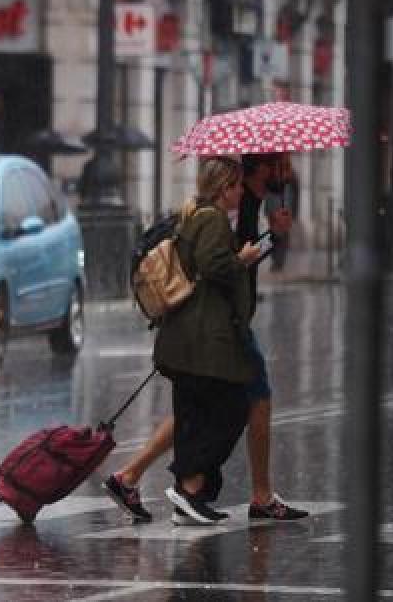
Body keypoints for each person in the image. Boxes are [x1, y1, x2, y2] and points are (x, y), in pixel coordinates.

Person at [104, 153, 309, 523]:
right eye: (279, 163)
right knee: (236, 402)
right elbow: (221, 265)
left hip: (211, 326)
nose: (286, 171)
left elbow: (226, 259)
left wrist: (270, 240)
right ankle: (201, 488)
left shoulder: (226, 207)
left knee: (197, 407)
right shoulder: (224, 211)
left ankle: (143, 479)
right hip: (216, 327)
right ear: (254, 171)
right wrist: (256, 250)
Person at [144, 156, 260, 525]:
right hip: (203, 338)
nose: (241, 192)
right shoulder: (210, 218)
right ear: (224, 187)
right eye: (237, 185)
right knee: (231, 409)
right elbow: (214, 266)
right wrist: (242, 259)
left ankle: (187, 497)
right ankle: (189, 486)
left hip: (186, 337)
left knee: (194, 414)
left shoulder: (194, 215)